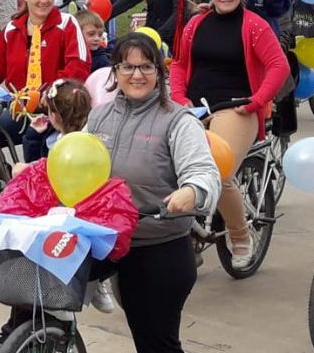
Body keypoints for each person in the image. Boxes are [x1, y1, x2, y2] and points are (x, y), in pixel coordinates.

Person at [87, 33, 220, 353]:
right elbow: (74, 163)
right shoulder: (99, 116)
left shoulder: (178, 120)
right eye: (127, 67)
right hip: (104, 237)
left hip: (158, 243)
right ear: (114, 72)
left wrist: (191, 192)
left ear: (160, 72)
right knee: (38, 280)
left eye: (146, 67)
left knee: (154, 342)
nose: (136, 75)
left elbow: (205, 173)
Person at [170, 0, 289, 270]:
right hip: (193, 107)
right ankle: (185, 234)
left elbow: (279, 66)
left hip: (236, 108)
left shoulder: (254, 25)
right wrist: (179, 98)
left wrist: (257, 101)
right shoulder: (196, 24)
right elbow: (179, 65)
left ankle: (240, 236)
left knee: (216, 172)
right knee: (164, 164)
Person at [0, 0, 90, 162]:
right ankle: (0, 177)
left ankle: (32, 184)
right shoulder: (12, 29)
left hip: (57, 109)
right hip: (22, 106)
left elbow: (79, 65)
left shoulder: (66, 24)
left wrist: (52, 92)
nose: (44, 1)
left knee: (32, 141)